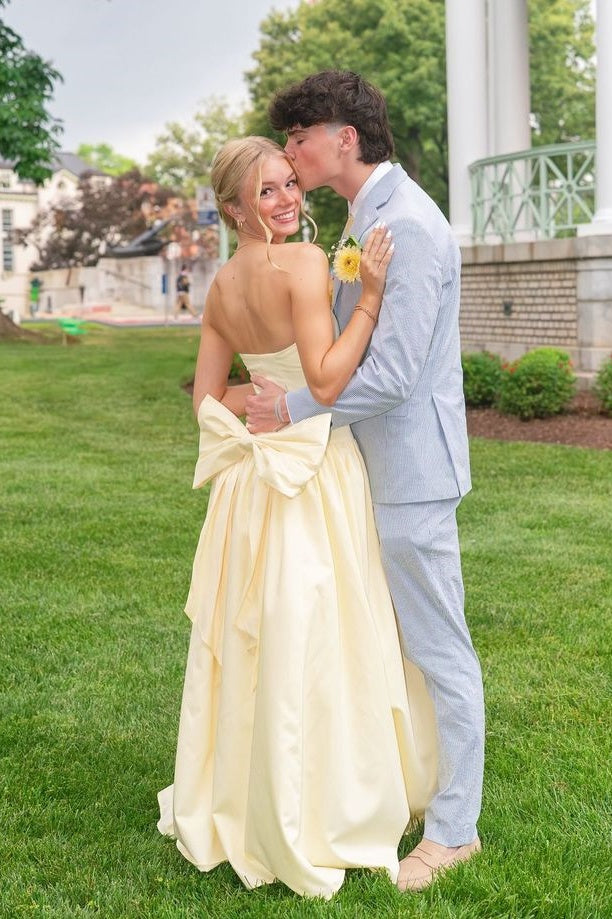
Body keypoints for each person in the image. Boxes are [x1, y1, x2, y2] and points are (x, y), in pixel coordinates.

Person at [157, 136, 438, 899]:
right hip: (312, 470)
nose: (288, 201)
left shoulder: (220, 286)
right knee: (327, 625)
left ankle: (252, 797)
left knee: (263, 631)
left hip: (249, 488)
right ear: (234, 209)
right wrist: (372, 297)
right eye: (268, 193)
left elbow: (204, 403)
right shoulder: (307, 265)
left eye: (288, 184)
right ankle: (327, 801)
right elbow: (325, 374)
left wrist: (254, 414)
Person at [245, 71, 485, 892]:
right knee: (398, 649)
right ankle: (418, 788)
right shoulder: (365, 215)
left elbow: (391, 376)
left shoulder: (409, 224)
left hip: (411, 475)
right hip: (362, 473)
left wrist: (295, 409)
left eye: (299, 135)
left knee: (438, 648)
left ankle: (455, 829)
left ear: (344, 138)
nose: (289, 151)